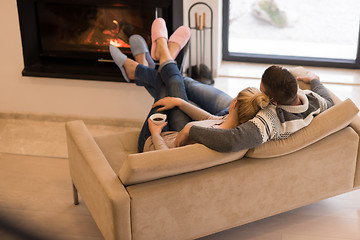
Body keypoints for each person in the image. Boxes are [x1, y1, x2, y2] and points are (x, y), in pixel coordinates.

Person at [110, 18, 270, 152]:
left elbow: (167, 158)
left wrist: (155, 133)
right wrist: (180, 102)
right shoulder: (229, 125)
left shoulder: (207, 137)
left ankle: (157, 56)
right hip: (173, 133)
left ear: (234, 104)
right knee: (169, 90)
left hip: (152, 142)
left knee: (165, 86)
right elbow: (209, 118)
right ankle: (154, 60)